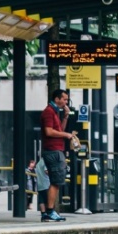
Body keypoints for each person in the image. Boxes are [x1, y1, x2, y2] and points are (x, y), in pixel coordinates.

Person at [39, 87, 76, 222]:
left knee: (56, 181)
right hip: (53, 150)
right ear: (57, 99)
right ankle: (49, 211)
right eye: (64, 99)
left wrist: (65, 116)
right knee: (56, 181)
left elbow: (59, 128)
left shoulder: (55, 112)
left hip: (55, 149)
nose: (66, 102)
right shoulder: (49, 112)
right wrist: (66, 135)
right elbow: (49, 132)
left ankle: (48, 212)